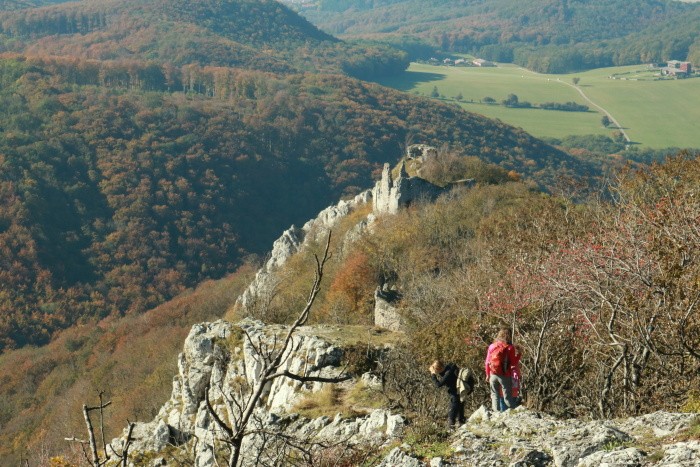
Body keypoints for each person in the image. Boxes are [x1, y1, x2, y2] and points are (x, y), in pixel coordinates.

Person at [485, 328, 519, 412]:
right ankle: (512, 413)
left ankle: (496, 414)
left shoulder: (492, 346)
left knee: (494, 395)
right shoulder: (510, 347)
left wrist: (487, 374)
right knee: (507, 396)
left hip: (493, 374)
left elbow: (487, 362)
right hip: (505, 375)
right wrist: (519, 355)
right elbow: (513, 363)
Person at [429, 360, 465, 428]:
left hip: (456, 391)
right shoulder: (448, 368)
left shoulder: (448, 373)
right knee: (460, 405)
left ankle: (451, 425)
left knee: (453, 408)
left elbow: (438, 384)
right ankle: (461, 421)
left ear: (438, 369)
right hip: (459, 390)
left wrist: (433, 374)